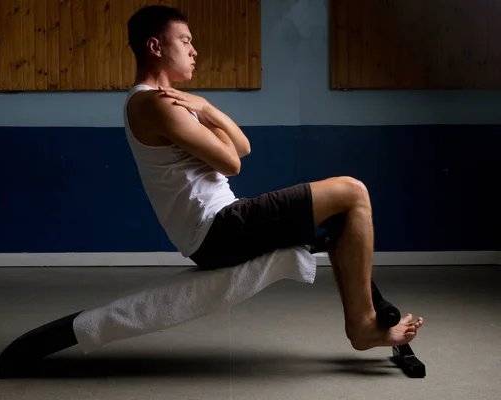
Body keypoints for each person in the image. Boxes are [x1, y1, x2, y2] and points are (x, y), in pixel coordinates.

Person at [124, 5, 423, 352]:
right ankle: (362, 327)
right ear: (155, 47)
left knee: (343, 212)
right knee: (353, 192)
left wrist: (205, 108)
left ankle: (363, 325)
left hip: (217, 230)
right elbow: (231, 162)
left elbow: (243, 146)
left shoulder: (173, 103)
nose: (194, 51)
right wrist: (205, 115)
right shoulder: (157, 105)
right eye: (185, 41)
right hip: (220, 229)